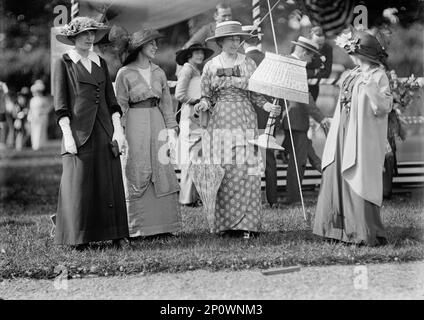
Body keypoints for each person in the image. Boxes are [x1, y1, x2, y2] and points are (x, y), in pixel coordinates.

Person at [195, 21, 281, 238]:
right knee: (224, 171)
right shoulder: (210, 66)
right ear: (220, 42)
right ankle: (224, 225)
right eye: (230, 39)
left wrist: (268, 105)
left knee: (246, 170)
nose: (235, 42)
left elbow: (256, 94)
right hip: (219, 121)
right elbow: (206, 95)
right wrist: (204, 104)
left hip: (244, 118)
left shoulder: (249, 63)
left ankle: (248, 225)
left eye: (237, 38)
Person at [53, 17, 129, 250]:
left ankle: (117, 234)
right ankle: (79, 237)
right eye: (84, 34)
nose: (89, 38)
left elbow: (111, 99)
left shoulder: (101, 62)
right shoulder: (64, 62)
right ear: (73, 38)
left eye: (92, 33)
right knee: (79, 183)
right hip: (78, 132)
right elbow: (61, 103)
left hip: (104, 129)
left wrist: (118, 130)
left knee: (109, 181)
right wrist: (67, 134)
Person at [313, 30, 392, 246]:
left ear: (363, 53)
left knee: (357, 176)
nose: (350, 55)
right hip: (342, 131)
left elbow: (383, 107)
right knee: (335, 172)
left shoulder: (378, 76)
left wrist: (371, 87)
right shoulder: (351, 74)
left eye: (353, 51)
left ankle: (360, 231)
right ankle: (336, 229)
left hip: (361, 134)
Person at [115, 28, 182, 239]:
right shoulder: (124, 73)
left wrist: (172, 131)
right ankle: (138, 227)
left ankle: (164, 226)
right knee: (137, 166)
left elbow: (167, 104)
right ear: (139, 47)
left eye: (156, 43)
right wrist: (121, 132)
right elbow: (120, 106)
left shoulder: (159, 72)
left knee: (162, 167)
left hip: (158, 122)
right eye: (151, 43)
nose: (155, 46)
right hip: (135, 123)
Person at [280, 36, 331, 205]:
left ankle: (331, 184)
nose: (310, 61)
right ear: (303, 52)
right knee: (298, 161)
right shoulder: (295, 66)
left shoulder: (288, 63)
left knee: (308, 156)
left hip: (291, 118)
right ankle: (294, 198)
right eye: (310, 56)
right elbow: (305, 97)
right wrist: (322, 118)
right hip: (296, 119)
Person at [242, 25, 279, 208]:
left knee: (250, 159)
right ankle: (272, 199)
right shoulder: (268, 60)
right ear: (258, 40)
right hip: (268, 115)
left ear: (243, 42)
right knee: (269, 160)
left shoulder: (242, 61)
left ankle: (252, 198)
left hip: (248, 116)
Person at [175, 43, 214, 206]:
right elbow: (179, 94)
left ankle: (192, 196)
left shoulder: (196, 69)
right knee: (191, 157)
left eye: (201, 53)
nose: (200, 55)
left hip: (197, 116)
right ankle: (187, 198)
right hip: (190, 116)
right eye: (196, 53)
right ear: (189, 55)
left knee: (197, 157)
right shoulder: (187, 69)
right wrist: (196, 101)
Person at [307, 26, 333, 102]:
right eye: (316, 43)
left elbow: (327, 73)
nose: (318, 47)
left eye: (321, 45)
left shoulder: (327, 48)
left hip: (314, 88)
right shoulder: (300, 47)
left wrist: (308, 72)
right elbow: (297, 71)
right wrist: (315, 71)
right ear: (309, 39)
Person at [28, 80, 51, 150]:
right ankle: (35, 145)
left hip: (42, 117)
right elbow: (31, 109)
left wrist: (43, 112)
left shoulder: (44, 99)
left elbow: (48, 108)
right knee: (34, 130)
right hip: (34, 117)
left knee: (41, 131)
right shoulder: (32, 100)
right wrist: (30, 116)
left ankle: (41, 145)